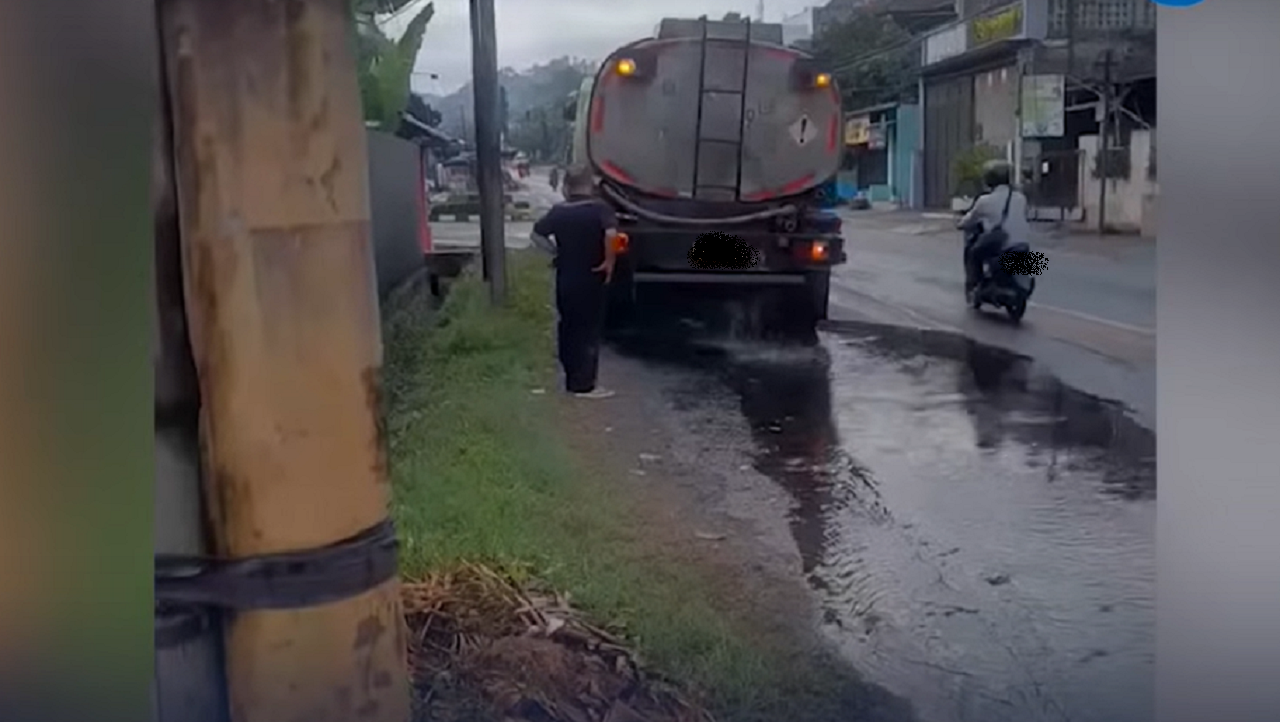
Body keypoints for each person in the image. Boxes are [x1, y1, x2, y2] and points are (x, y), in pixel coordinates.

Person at [529, 169, 619, 399]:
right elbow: (611, 235)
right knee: (589, 330)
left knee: (568, 326)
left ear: (567, 186)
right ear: (590, 185)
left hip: (566, 276)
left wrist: (555, 251)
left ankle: (571, 379)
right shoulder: (600, 209)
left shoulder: (559, 212)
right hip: (593, 276)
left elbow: (537, 235)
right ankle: (586, 385)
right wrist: (608, 262)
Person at [957, 159, 1031, 297]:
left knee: (973, 253)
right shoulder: (1021, 198)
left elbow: (970, 219)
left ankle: (974, 285)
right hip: (1023, 245)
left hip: (1001, 245)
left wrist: (960, 224)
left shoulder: (985, 201)